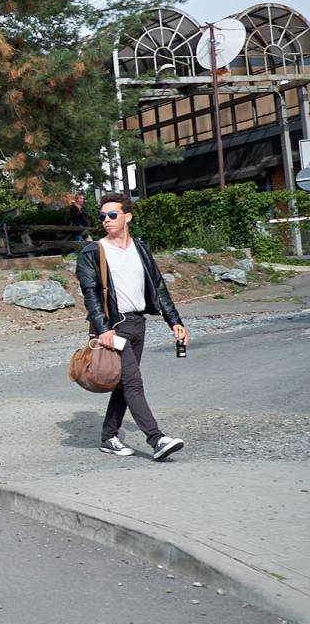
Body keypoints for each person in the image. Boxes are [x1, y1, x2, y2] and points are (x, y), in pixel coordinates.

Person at [76, 192, 187, 461]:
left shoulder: (140, 248)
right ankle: (156, 438)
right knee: (133, 383)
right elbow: (90, 294)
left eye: (112, 215)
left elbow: (158, 287)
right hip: (115, 327)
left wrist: (175, 322)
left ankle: (108, 437)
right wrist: (103, 329)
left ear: (128, 216)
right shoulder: (93, 252)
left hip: (139, 323)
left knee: (123, 384)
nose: (106, 220)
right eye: (102, 216)